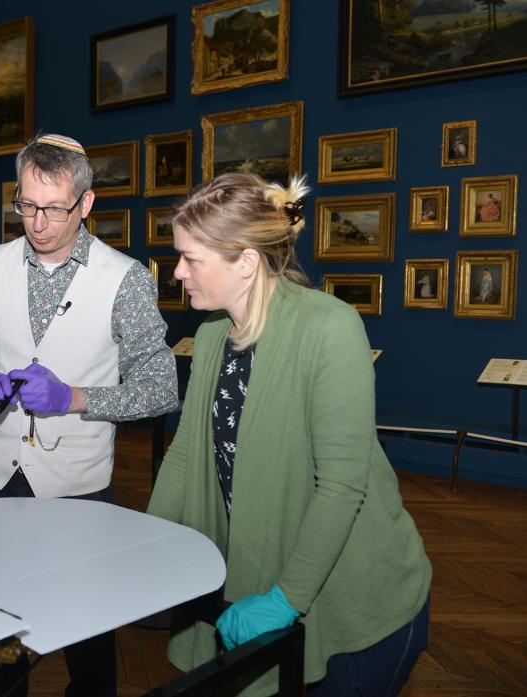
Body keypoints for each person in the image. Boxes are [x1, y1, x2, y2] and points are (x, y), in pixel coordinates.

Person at [146, 173, 431, 697]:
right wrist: (146, 551)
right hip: (261, 575)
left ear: (246, 263)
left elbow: (342, 485)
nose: (179, 272)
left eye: (191, 258)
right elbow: (186, 456)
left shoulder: (329, 327)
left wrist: (285, 599)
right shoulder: (211, 338)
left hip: (356, 602)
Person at [0, 133, 179, 697]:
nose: (38, 222)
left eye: (54, 208)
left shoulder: (125, 278)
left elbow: (161, 388)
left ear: (86, 203)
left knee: (88, 643)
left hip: (77, 489)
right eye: (26, 205)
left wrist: (76, 399)